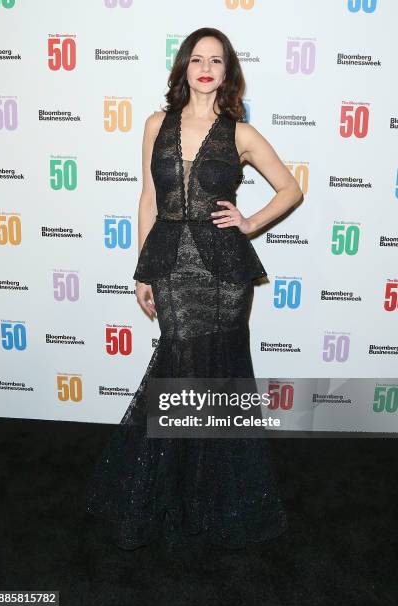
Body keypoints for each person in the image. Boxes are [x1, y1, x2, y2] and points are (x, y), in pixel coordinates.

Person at [85, 27, 303, 553]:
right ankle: (171, 491)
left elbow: (291, 187)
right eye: (197, 58)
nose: (206, 68)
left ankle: (213, 494)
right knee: (179, 368)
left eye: (217, 61)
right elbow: (147, 198)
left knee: (217, 372)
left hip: (224, 270)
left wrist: (249, 222)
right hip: (170, 265)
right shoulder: (156, 124)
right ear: (184, 67)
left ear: (228, 73)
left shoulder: (240, 133)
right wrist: (143, 269)